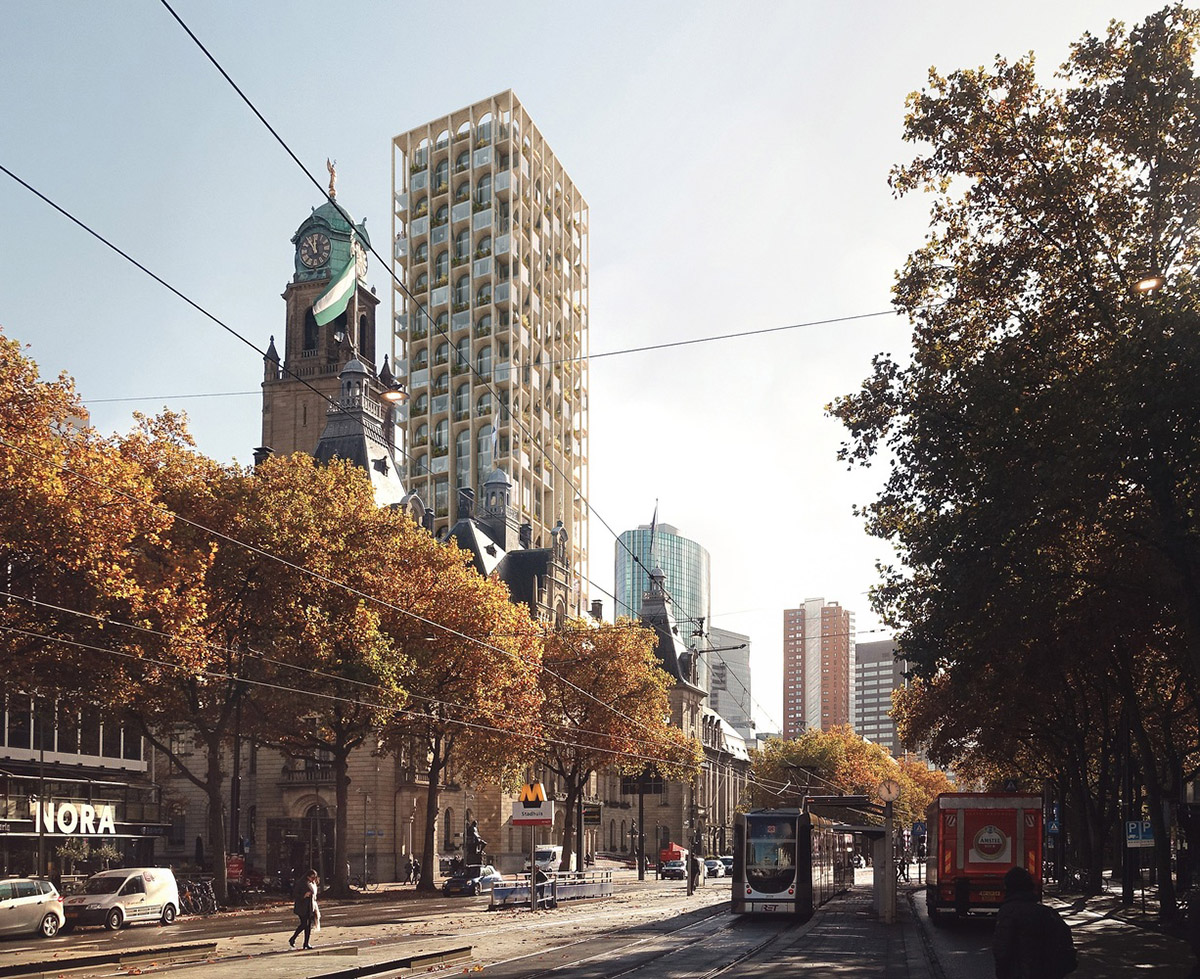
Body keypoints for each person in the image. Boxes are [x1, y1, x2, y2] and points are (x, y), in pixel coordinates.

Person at [993, 866, 1076, 979]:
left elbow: (1002, 949)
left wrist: (1002, 973)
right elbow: (1065, 942)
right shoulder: (1047, 913)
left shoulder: (1007, 912)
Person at [288, 870, 320, 950]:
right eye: (312, 877)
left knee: (308, 926)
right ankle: (293, 938)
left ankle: (306, 943)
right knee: (304, 924)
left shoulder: (313, 883)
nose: (313, 879)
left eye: (315, 877)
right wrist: (304, 895)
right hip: (302, 906)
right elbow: (295, 894)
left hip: (310, 906)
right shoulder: (301, 883)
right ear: (308, 876)